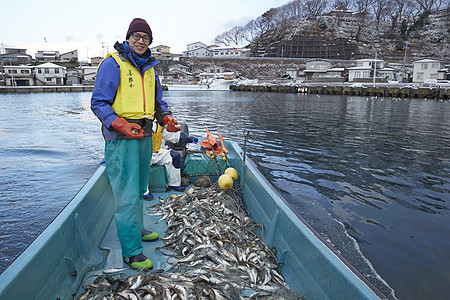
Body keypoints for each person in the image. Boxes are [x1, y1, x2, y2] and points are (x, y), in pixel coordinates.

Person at [90, 18, 180, 270]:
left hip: (144, 137)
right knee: (127, 195)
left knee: (140, 187)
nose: (141, 41)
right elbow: (98, 102)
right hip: (121, 140)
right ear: (128, 38)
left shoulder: (151, 69)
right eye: (136, 36)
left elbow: (159, 104)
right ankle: (131, 252)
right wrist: (119, 124)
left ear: (151, 41)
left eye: (146, 37)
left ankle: (137, 229)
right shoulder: (113, 64)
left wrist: (167, 119)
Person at [143, 123, 198, 200]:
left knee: (174, 156)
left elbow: (173, 135)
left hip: (157, 152)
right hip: (143, 153)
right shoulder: (141, 124)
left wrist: (190, 138)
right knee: (142, 165)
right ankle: (144, 191)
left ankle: (174, 183)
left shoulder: (159, 125)